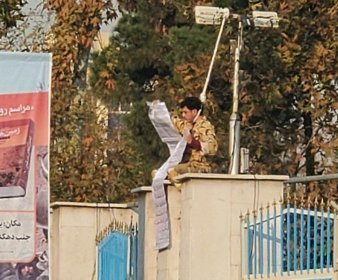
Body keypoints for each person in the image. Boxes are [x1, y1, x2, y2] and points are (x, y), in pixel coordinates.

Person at [168, 96, 218, 183]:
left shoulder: (205, 126)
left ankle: (184, 193)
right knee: (160, 174)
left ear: (194, 111)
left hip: (200, 166)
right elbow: (176, 122)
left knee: (173, 171)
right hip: (187, 164)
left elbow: (212, 148)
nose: (183, 115)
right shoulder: (188, 125)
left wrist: (193, 142)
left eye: (185, 112)